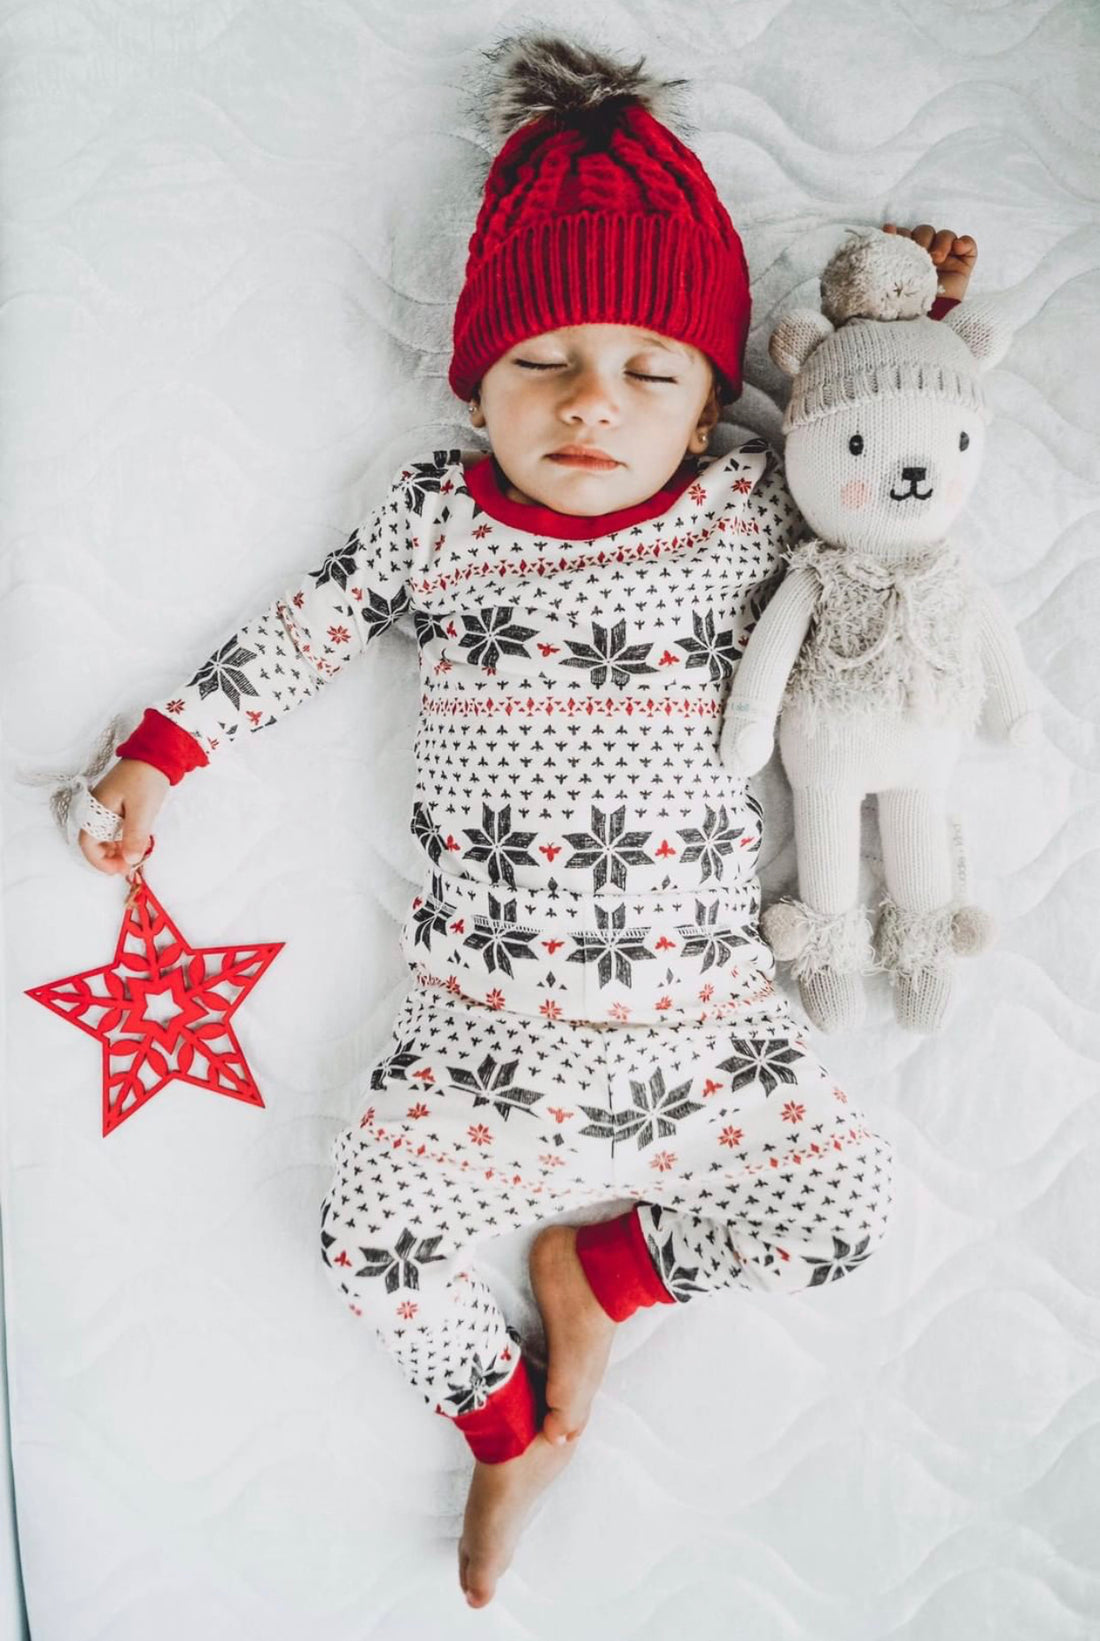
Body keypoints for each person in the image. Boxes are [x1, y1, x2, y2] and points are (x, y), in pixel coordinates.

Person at [66, 31, 978, 1613]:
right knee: (367, 1242)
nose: (589, 405)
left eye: (649, 372)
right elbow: (302, 630)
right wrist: (165, 749)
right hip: (480, 1036)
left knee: (843, 1215)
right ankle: (508, 1430)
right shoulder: (435, 516)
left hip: (708, 1032)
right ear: (477, 381)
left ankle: (602, 1270)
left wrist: (900, 340)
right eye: (541, 361)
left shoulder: (742, 504)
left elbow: (872, 466)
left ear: (711, 402)